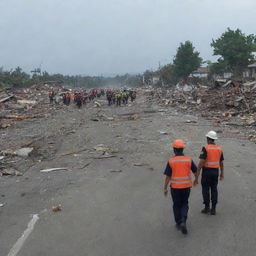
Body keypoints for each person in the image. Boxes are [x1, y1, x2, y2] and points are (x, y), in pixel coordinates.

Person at [164, 139, 197, 234]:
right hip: (186, 187)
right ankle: (183, 220)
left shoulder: (171, 161)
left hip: (175, 188)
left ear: (174, 150)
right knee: (185, 203)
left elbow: (168, 176)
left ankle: (178, 223)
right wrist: (196, 179)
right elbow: (195, 171)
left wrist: (165, 188)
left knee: (176, 205)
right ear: (183, 149)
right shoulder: (188, 159)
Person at [194, 131, 224, 215]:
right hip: (215, 172)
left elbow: (201, 162)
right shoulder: (219, 149)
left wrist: (197, 174)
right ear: (214, 139)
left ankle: (207, 207)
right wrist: (222, 173)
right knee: (214, 189)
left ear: (208, 139)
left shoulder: (205, 148)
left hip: (207, 172)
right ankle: (213, 209)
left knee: (205, 189)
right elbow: (221, 162)